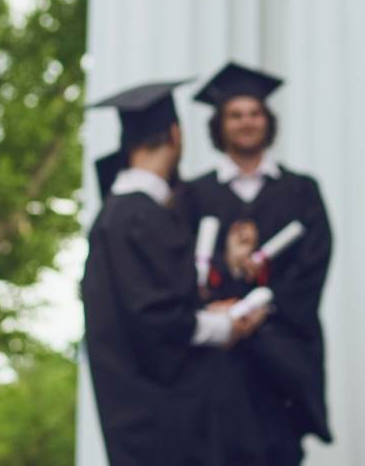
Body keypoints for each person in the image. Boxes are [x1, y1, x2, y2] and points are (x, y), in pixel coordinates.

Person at [82, 80, 268, 465]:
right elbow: (157, 319)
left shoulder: (112, 216)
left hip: (129, 414)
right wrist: (225, 326)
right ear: (175, 134)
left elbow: (142, 303)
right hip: (163, 420)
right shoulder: (143, 216)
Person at [175, 62, 334, 462]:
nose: (247, 122)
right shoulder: (194, 195)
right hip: (219, 356)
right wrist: (217, 305)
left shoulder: (300, 191)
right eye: (235, 115)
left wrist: (265, 305)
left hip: (283, 351)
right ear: (220, 125)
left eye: (255, 113)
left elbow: (314, 261)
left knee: (280, 451)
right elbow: (179, 264)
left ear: (268, 120)